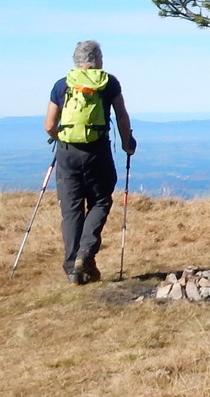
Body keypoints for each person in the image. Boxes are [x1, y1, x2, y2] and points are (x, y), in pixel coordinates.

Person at [44, 40, 136, 285]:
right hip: (98, 151)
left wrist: (60, 138)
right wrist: (128, 143)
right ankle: (86, 254)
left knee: (71, 209)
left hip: (67, 152)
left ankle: (73, 269)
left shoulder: (61, 85)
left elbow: (49, 125)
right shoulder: (109, 83)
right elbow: (122, 115)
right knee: (101, 200)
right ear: (99, 60)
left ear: (76, 60)